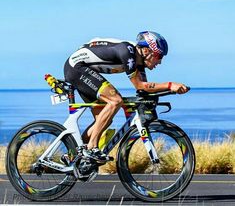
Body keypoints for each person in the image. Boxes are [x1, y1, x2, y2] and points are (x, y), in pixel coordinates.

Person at [64, 31, 189, 162]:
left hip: (82, 69)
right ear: (146, 51)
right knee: (115, 101)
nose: (160, 61)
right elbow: (140, 86)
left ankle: (74, 156)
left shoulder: (138, 62)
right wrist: (169, 85)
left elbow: (144, 90)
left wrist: (171, 91)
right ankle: (92, 147)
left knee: (103, 119)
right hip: (76, 68)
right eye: (159, 56)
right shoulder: (128, 53)